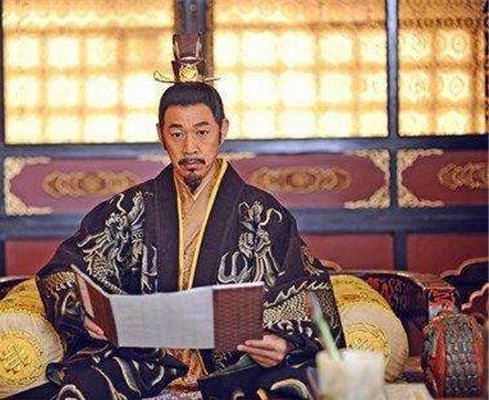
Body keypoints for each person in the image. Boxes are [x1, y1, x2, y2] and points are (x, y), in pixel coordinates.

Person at [36, 34, 343, 400]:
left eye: (202, 132)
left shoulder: (264, 215)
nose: (190, 148)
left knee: (297, 388)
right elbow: (65, 269)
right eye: (177, 133)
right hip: (148, 364)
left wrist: (283, 343)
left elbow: (309, 294)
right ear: (161, 135)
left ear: (222, 131)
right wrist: (82, 314)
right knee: (82, 387)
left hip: (238, 368)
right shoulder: (129, 209)